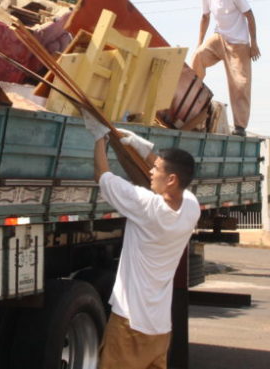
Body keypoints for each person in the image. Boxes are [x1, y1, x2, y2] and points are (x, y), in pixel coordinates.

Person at [83, 116, 200, 369]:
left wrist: (99, 138)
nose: (150, 172)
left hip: (130, 322)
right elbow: (173, 177)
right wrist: (142, 149)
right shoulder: (191, 207)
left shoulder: (147, 206)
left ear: (171, 180)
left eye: (156, 169)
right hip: (159, 328)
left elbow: (102, 175)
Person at [190, 0, 260, 136]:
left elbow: (250, 16)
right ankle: (191, 102)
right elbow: (205, 17)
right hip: (219, 38)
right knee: (198, 56)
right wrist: (199, 42)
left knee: (240, 84)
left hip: (239, 44)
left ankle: (240, 126)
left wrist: (254, 43)